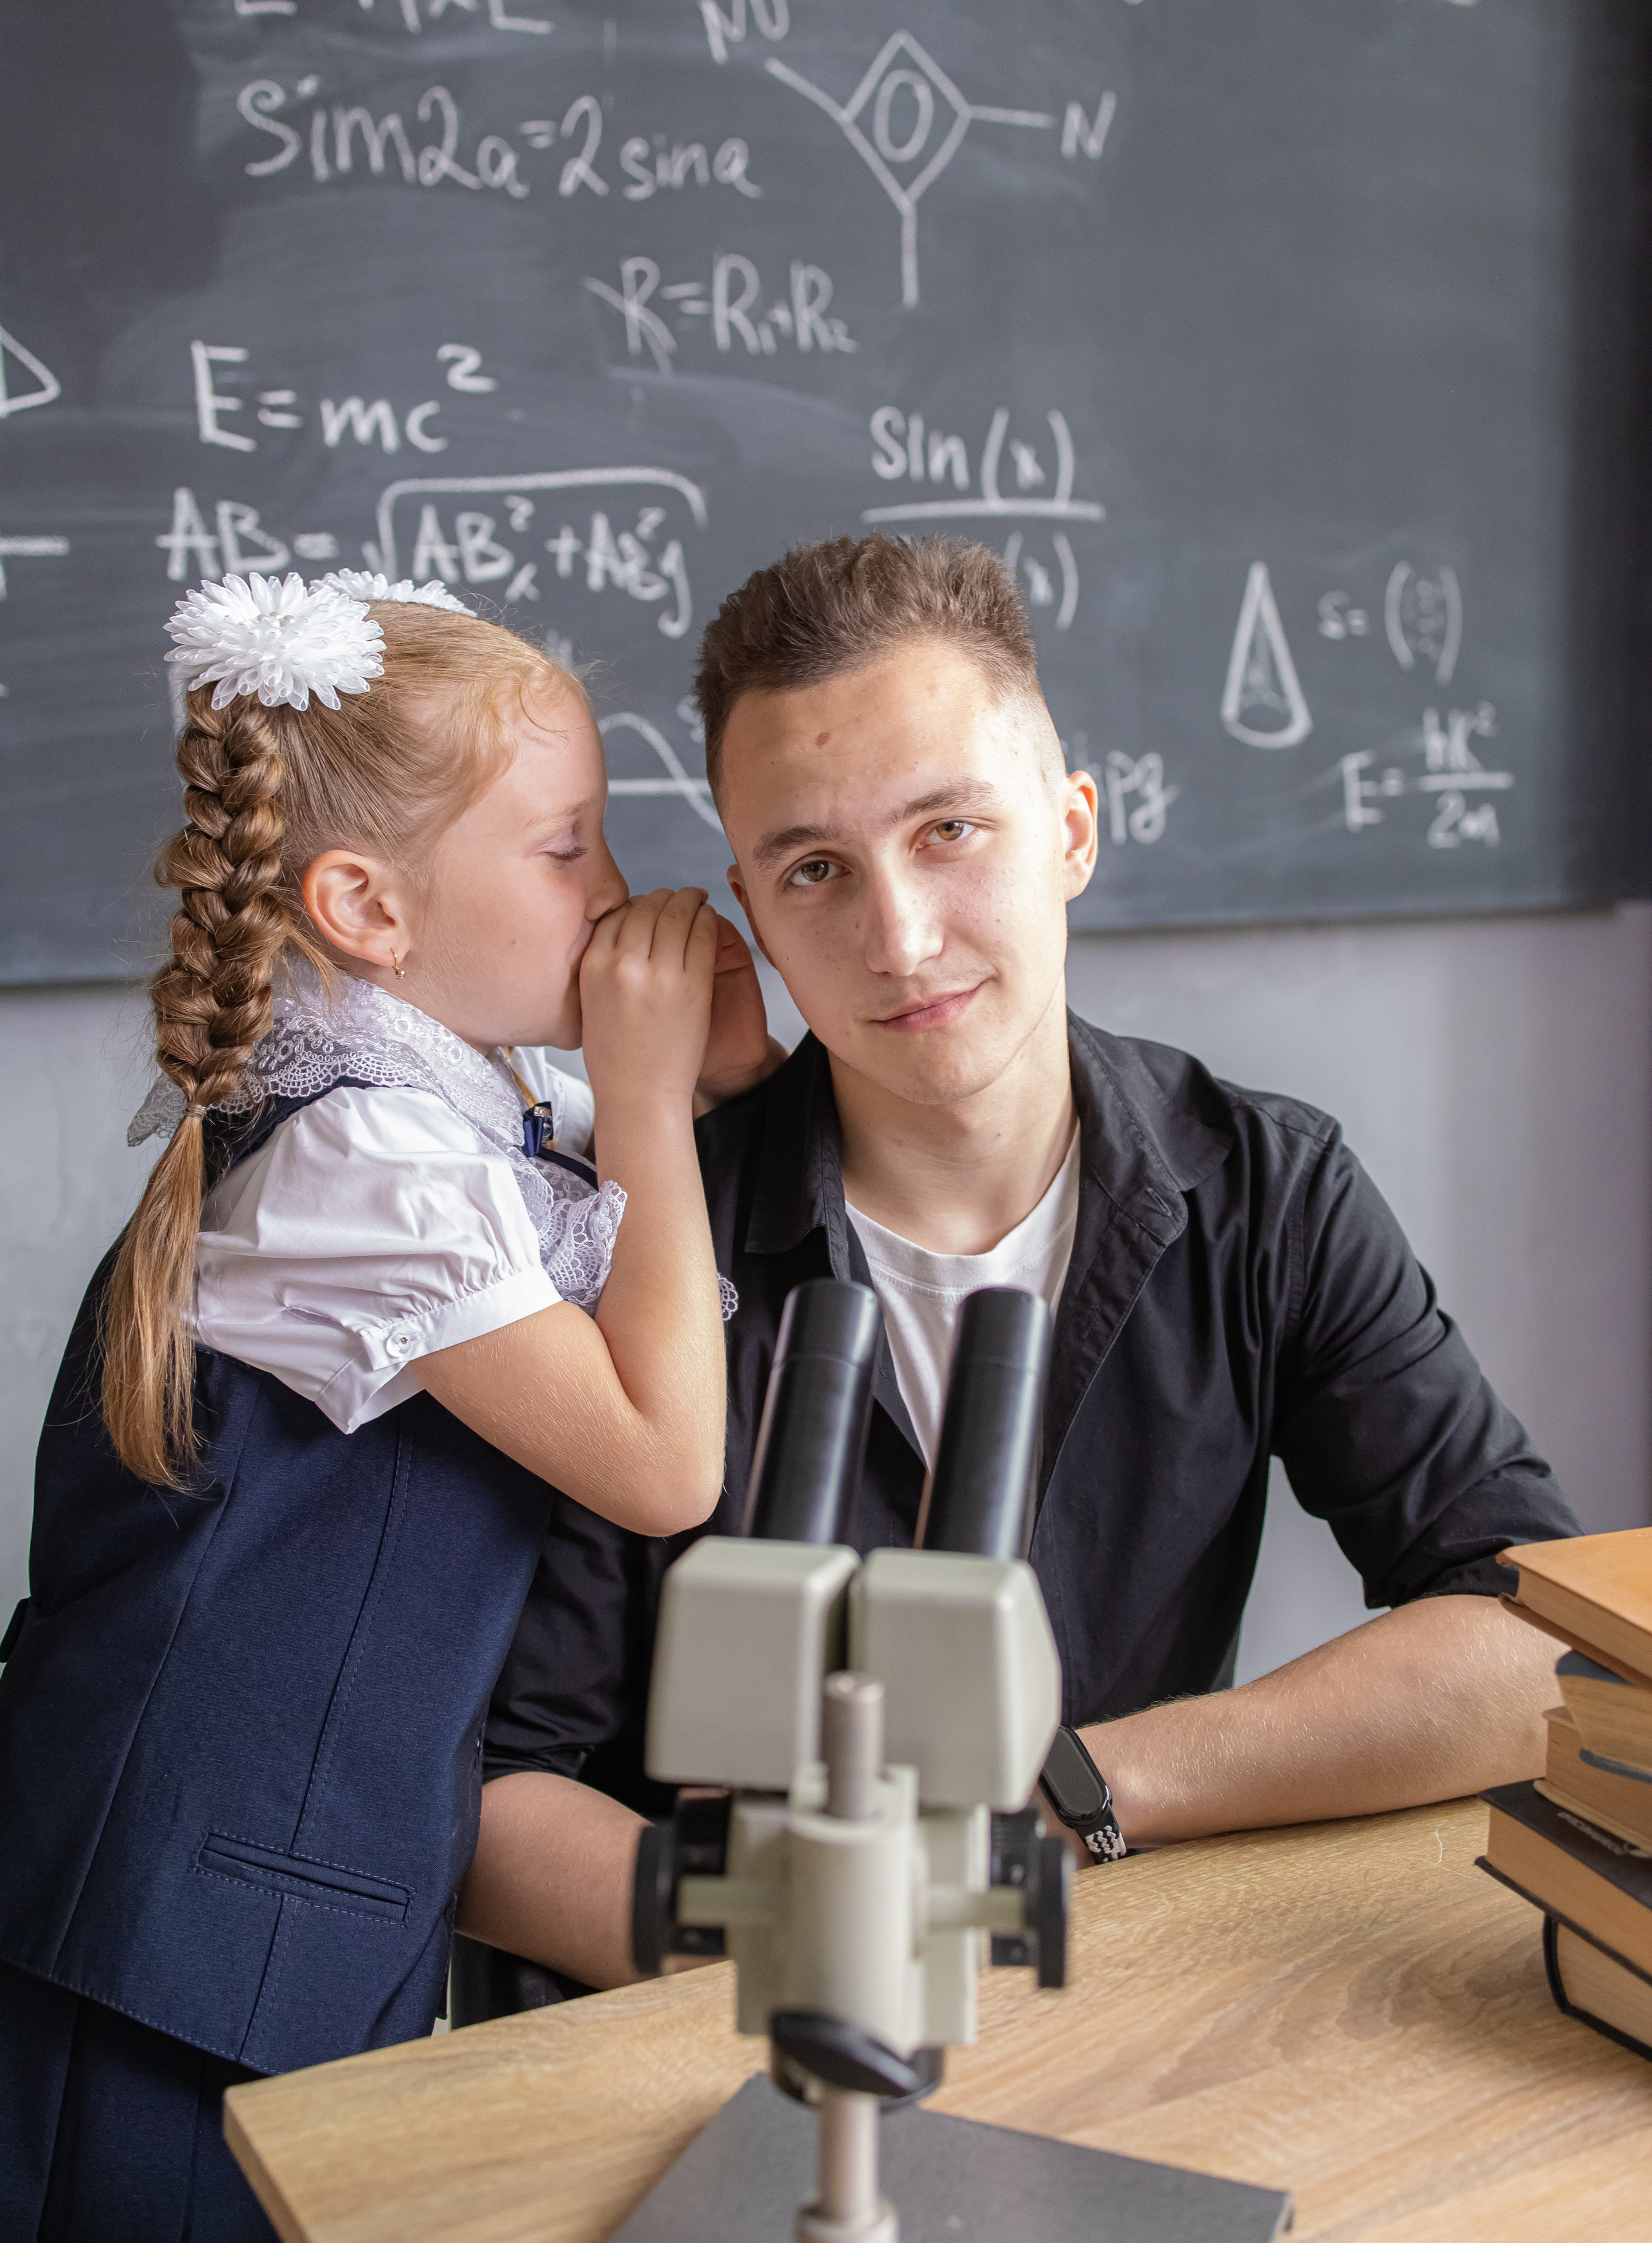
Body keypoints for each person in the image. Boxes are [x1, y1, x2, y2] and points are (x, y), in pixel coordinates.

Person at [461, 532, 1577, 1998]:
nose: (900, 937)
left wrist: (1058, 1794)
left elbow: (1535, 1649)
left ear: (1068, 830)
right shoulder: (633, 1238)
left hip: (1108, 1988)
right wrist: (818, 1939)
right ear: (754, 916)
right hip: (701, 2029)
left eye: (948, 831)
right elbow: (481, 1797)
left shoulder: (1268, 1189)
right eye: (814, 870)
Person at [0, 569, 776, 2240]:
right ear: (367, 907)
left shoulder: (441, 1123)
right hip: (170, 1955)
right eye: (568, 848)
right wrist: (647, 1092)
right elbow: (661, 1460)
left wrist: (705, 1085)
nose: (617, 892)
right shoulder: (367, 1160)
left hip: (264, 1934)